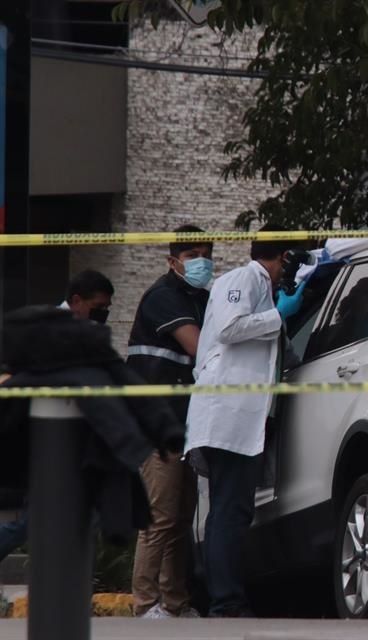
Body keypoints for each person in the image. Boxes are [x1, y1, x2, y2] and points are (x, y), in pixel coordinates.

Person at [184, 223, 305, 618]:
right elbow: (232, 328)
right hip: (228, 415)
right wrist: (278, 315)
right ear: (283, 258)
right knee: (229, 512)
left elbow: (277, 352)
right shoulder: (243, 278)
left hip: (239, 418)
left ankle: (226, 598)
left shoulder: (263, 289)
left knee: (230, 510)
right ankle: (226, 603)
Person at [127, 225, 214, 619]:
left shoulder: (200, 299)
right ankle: (145, 603)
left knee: (180, 519)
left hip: (185, 423)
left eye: (206, 254)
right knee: (160, 518)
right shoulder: (164, 297)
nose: (202, 262)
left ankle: (175, 602)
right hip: (157, 423)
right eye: (193, 255)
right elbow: (199, 346)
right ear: (172, 260)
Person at [0, 270, 115, 564]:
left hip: (74, 437)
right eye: (97, 307)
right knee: (36, 519)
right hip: (42, 437)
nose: (101, 315)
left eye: (106, 309)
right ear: (76, 301)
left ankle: (70, 583)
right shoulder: (42, 328)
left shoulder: (85, 334)